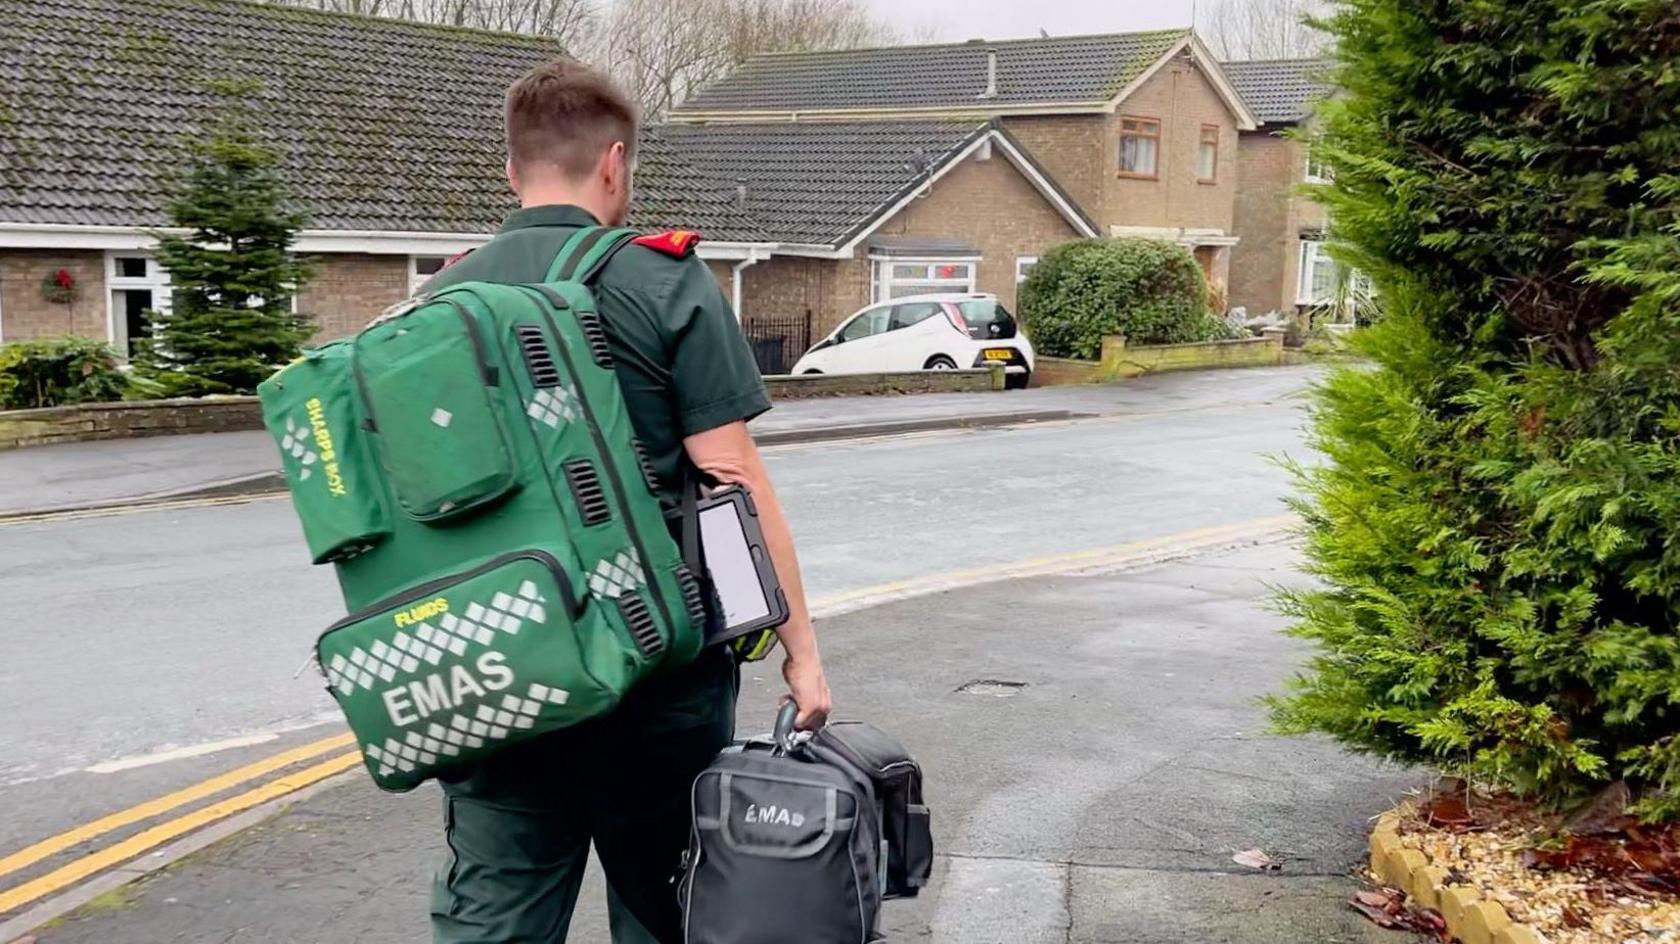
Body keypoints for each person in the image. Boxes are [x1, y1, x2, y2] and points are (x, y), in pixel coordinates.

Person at [420, 57, 832, 943]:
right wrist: (802, 653)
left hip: (501, 679)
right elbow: (737, 484)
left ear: (510, 169)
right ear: (614, 163)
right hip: (655, 684)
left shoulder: (442, 298)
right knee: (663, 905)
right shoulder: (664, 280)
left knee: (495, 912)